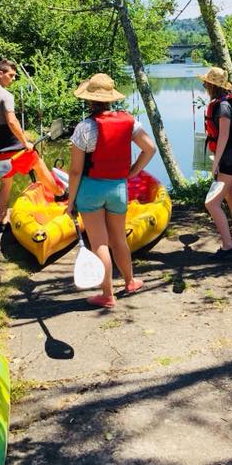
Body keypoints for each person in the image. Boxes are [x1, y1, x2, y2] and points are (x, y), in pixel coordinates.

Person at [65, 72, 156, 308]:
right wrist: (133, 171)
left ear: (89, 99)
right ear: (111, 99)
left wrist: (70, 202)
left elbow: (75, 171)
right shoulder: (130, 122)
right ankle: (130, 281)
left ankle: (107, 295)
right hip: (118, 188)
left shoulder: (84, 128)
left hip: (91, 191)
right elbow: (150, 148)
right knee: (119, 240)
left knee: (100, 244)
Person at [201, 66, 232, 262]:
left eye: (206, 82)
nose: (204, 84)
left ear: (212, 85)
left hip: (230, 159)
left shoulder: (223, 106)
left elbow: (223, 135)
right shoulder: (229, 101)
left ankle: (228, 247)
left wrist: (216, 162)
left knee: (212, 203)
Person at [0, 59, 33, 233]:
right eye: (10, 75)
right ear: (0, 73)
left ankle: (3, 221)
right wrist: (25, 142)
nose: (13, 79)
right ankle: (56, 200)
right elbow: (11, 121)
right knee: (38, 168)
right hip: (14, 146)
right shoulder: (6, 95)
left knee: (6, 185)